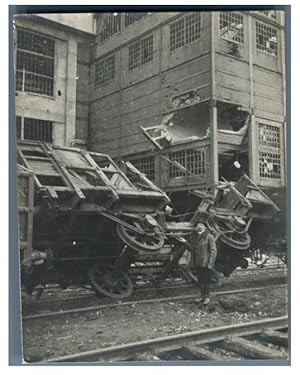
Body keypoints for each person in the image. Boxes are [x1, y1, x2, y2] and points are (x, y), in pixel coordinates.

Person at [185, 223, 217, 305]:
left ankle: (207, 297)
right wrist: (184, 241)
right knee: (200, 280)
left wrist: (210, 263)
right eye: (197, 225)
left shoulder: (209, 237)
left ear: (205, 227)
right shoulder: (196, 237)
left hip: (206, 263)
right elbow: (193, 249)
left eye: (201, 225)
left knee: (206, 281)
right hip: (198, 262)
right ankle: (202, 296)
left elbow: (213, 251)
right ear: (196, 228)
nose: (199, 226)